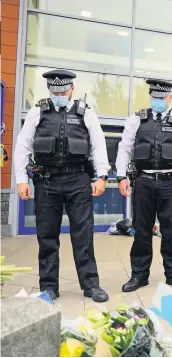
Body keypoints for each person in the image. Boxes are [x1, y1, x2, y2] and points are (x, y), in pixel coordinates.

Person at [14, 69, 110, 302]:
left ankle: (91, 285)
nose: (59, 94)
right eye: (54, 91)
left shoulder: (86, 113)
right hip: (47, 181)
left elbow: (98, 146)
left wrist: (101, 176)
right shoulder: (38, 112)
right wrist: (21, 180)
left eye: (63, 90)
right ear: (49, 90)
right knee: (46, 235)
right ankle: (48, 287)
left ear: (72, 89)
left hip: (78, 180)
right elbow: (23, 146)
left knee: (83, 234)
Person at [116, 79, 172, 292]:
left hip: (169, 183)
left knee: (170, 230)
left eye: (162, 98)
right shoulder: (136, 120)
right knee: (142, 231)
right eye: (154, 98)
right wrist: (121, 176)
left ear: (170, 98)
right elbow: (124, 148)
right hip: (143, 182)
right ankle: (139, 276)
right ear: (150, 97)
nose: (158, 101)